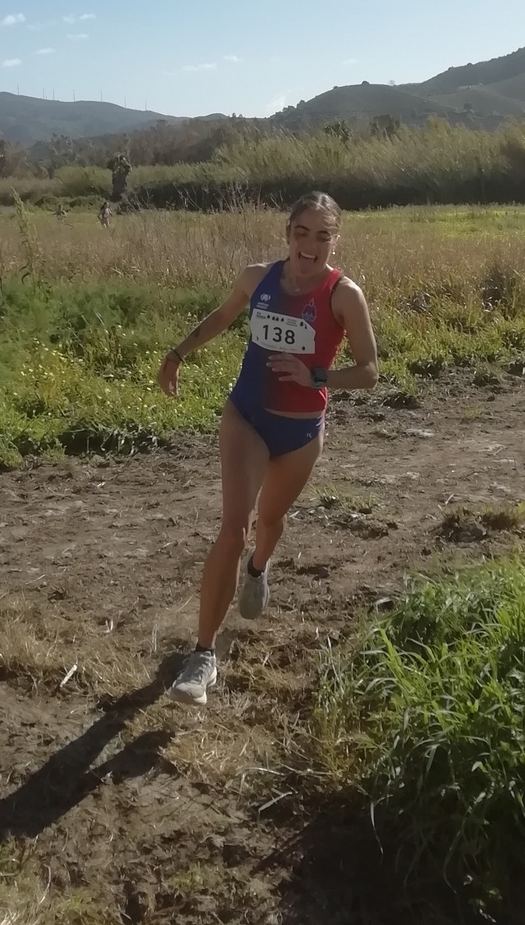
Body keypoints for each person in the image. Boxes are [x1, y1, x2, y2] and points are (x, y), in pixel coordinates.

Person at [156, 191, 379, 706]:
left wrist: (315, 375)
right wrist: (177, 354)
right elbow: (223, 315)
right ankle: (203, 656)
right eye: (302, 233)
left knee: (270, 522)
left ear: (334, 240)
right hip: (247, 417)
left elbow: (369, 371)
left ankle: (259, 568)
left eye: (322, 236)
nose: (310, 245)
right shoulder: (256, 278)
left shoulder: (344, 295)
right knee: (233, 527)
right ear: (288, 234)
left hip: (299, 433)